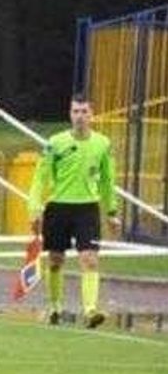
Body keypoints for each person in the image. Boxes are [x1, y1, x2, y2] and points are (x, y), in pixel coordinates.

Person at [28, 93, 122, 328]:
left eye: (84, 112)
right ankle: (55, 307)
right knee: (56, 259)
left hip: (87, 209)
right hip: (58, 207)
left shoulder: (102, 144)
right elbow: (40, 178)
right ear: (70, 114)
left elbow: (108, 181)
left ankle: (90, 311)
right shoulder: (55, 143)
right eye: (75, 111)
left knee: (89, 259)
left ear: (92, 115)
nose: (79, 116)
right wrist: (34, 209)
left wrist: (111, 211)